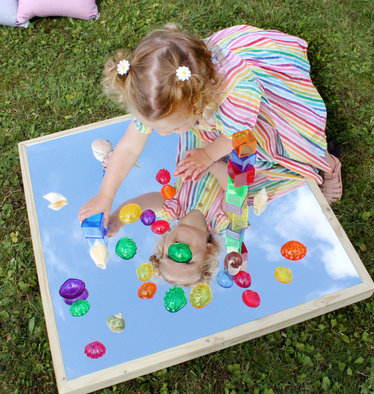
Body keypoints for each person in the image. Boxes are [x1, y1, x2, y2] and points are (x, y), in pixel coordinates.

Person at [78, 23, 342, 226]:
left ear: (197, 103)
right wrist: (105, 196)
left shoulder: (236, 94)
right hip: (216, 104)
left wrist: (207, 154)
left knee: (286, 146)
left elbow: (240, 137)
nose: (160, 133)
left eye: (171, 128)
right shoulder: (153, 94)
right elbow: (127, 149)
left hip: (266, 108)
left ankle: (326, 162)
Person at [107, 148, 229, 287]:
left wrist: (116, 220)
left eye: (170, 256)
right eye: (188, 261)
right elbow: (235, 188)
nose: (179, 253)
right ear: (207, 252)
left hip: (199, 133)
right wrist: (210, 164)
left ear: (164, 245)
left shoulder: (172, 209)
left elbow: (141, 202)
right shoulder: (220, 223)